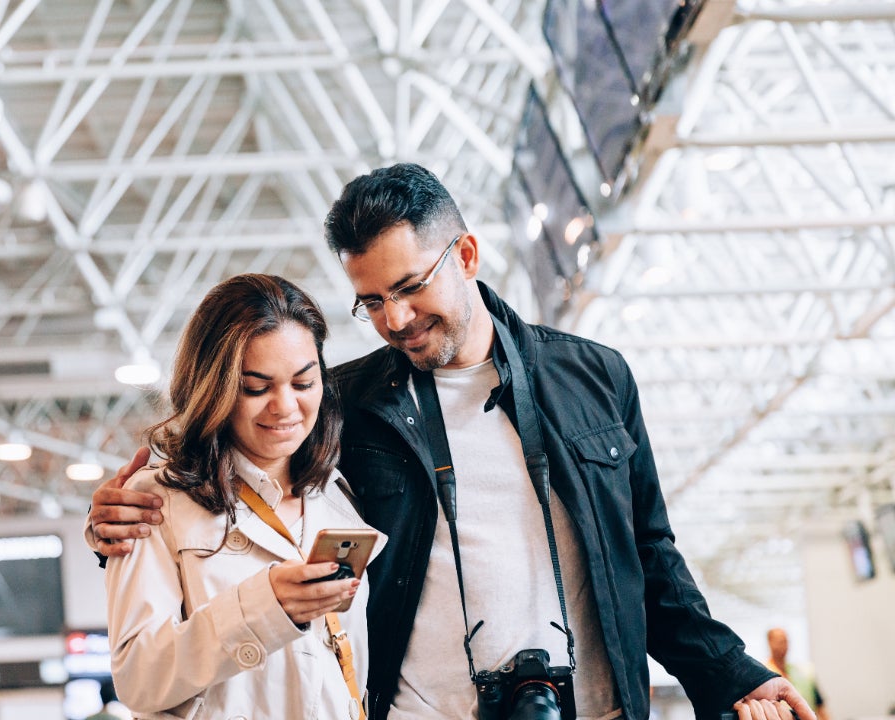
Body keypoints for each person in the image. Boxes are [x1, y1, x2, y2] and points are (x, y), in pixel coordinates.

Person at [89, 164, 812, 720]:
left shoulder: (593, 379)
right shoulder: (345, 402)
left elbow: (648, 557)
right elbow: (237, 469)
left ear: (465, 253)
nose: (395, 318)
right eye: (371, 301)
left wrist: (736, 673)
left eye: (410, 286)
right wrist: (115, 524)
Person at [102, 273, 382, 719]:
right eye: (256, 387)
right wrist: (264, 608)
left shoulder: (337, 496)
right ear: (213, 386)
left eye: (303, 383)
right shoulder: (156, 501)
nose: (285, 406)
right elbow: (138, 678)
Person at [764, 628, 830, 720]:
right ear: (769, 643)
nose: (783, 645)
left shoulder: (803, 672)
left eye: (785, 641)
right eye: (779, 641)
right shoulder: (764, 676)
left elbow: (819, 704)